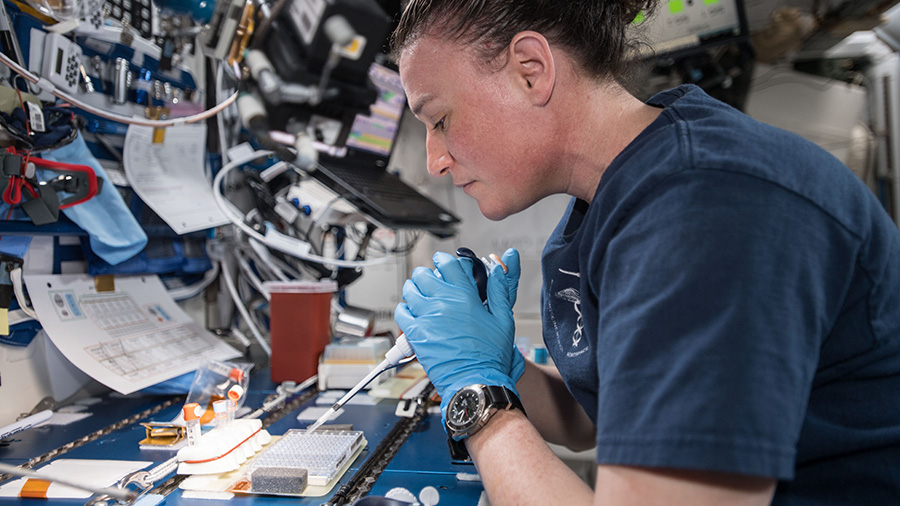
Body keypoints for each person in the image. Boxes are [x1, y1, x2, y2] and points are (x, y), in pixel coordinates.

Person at [390, 1, 900, 505]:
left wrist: (477, 395)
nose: (434, 161)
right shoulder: (613, 203)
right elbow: (599, 414)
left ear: (531, 70)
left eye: (439, 120)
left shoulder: (705, 206)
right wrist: (504, 367)